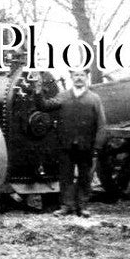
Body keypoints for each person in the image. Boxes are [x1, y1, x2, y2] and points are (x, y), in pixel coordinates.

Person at [35, 68, 107, 218]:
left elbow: (101, 124)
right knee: (65, 176)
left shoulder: (94, 99)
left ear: (86, 77)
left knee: (85, 176)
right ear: (71, 78)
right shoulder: (63, 97)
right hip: (65, 145)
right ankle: (66, 206)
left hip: (86, 145)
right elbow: (43, 106)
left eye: (82, 75)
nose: (79, 78)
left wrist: (97, 147)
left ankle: (82, 206)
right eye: (76, 75)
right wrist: (37, 92)